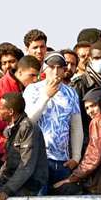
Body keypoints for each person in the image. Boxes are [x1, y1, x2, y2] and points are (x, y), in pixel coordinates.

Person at [25, 53, 85, 188]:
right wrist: (46, 96)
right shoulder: (32, 89)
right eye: (52, 67)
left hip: (62, 161)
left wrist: (76, 157)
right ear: (44, 69)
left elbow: (76, 126)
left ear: (64, 70)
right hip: (38, 159)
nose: (56, 71)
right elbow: (28, 122)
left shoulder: (71, 93)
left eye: (60, 67)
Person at [0, 91, 47, 200]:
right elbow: (8, 162)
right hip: (16, 180)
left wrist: (6, 191)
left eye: (1, 108)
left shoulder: (28, 127)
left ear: (11, 112)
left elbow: (26, 166)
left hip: (31, 184)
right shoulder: (11, 129)